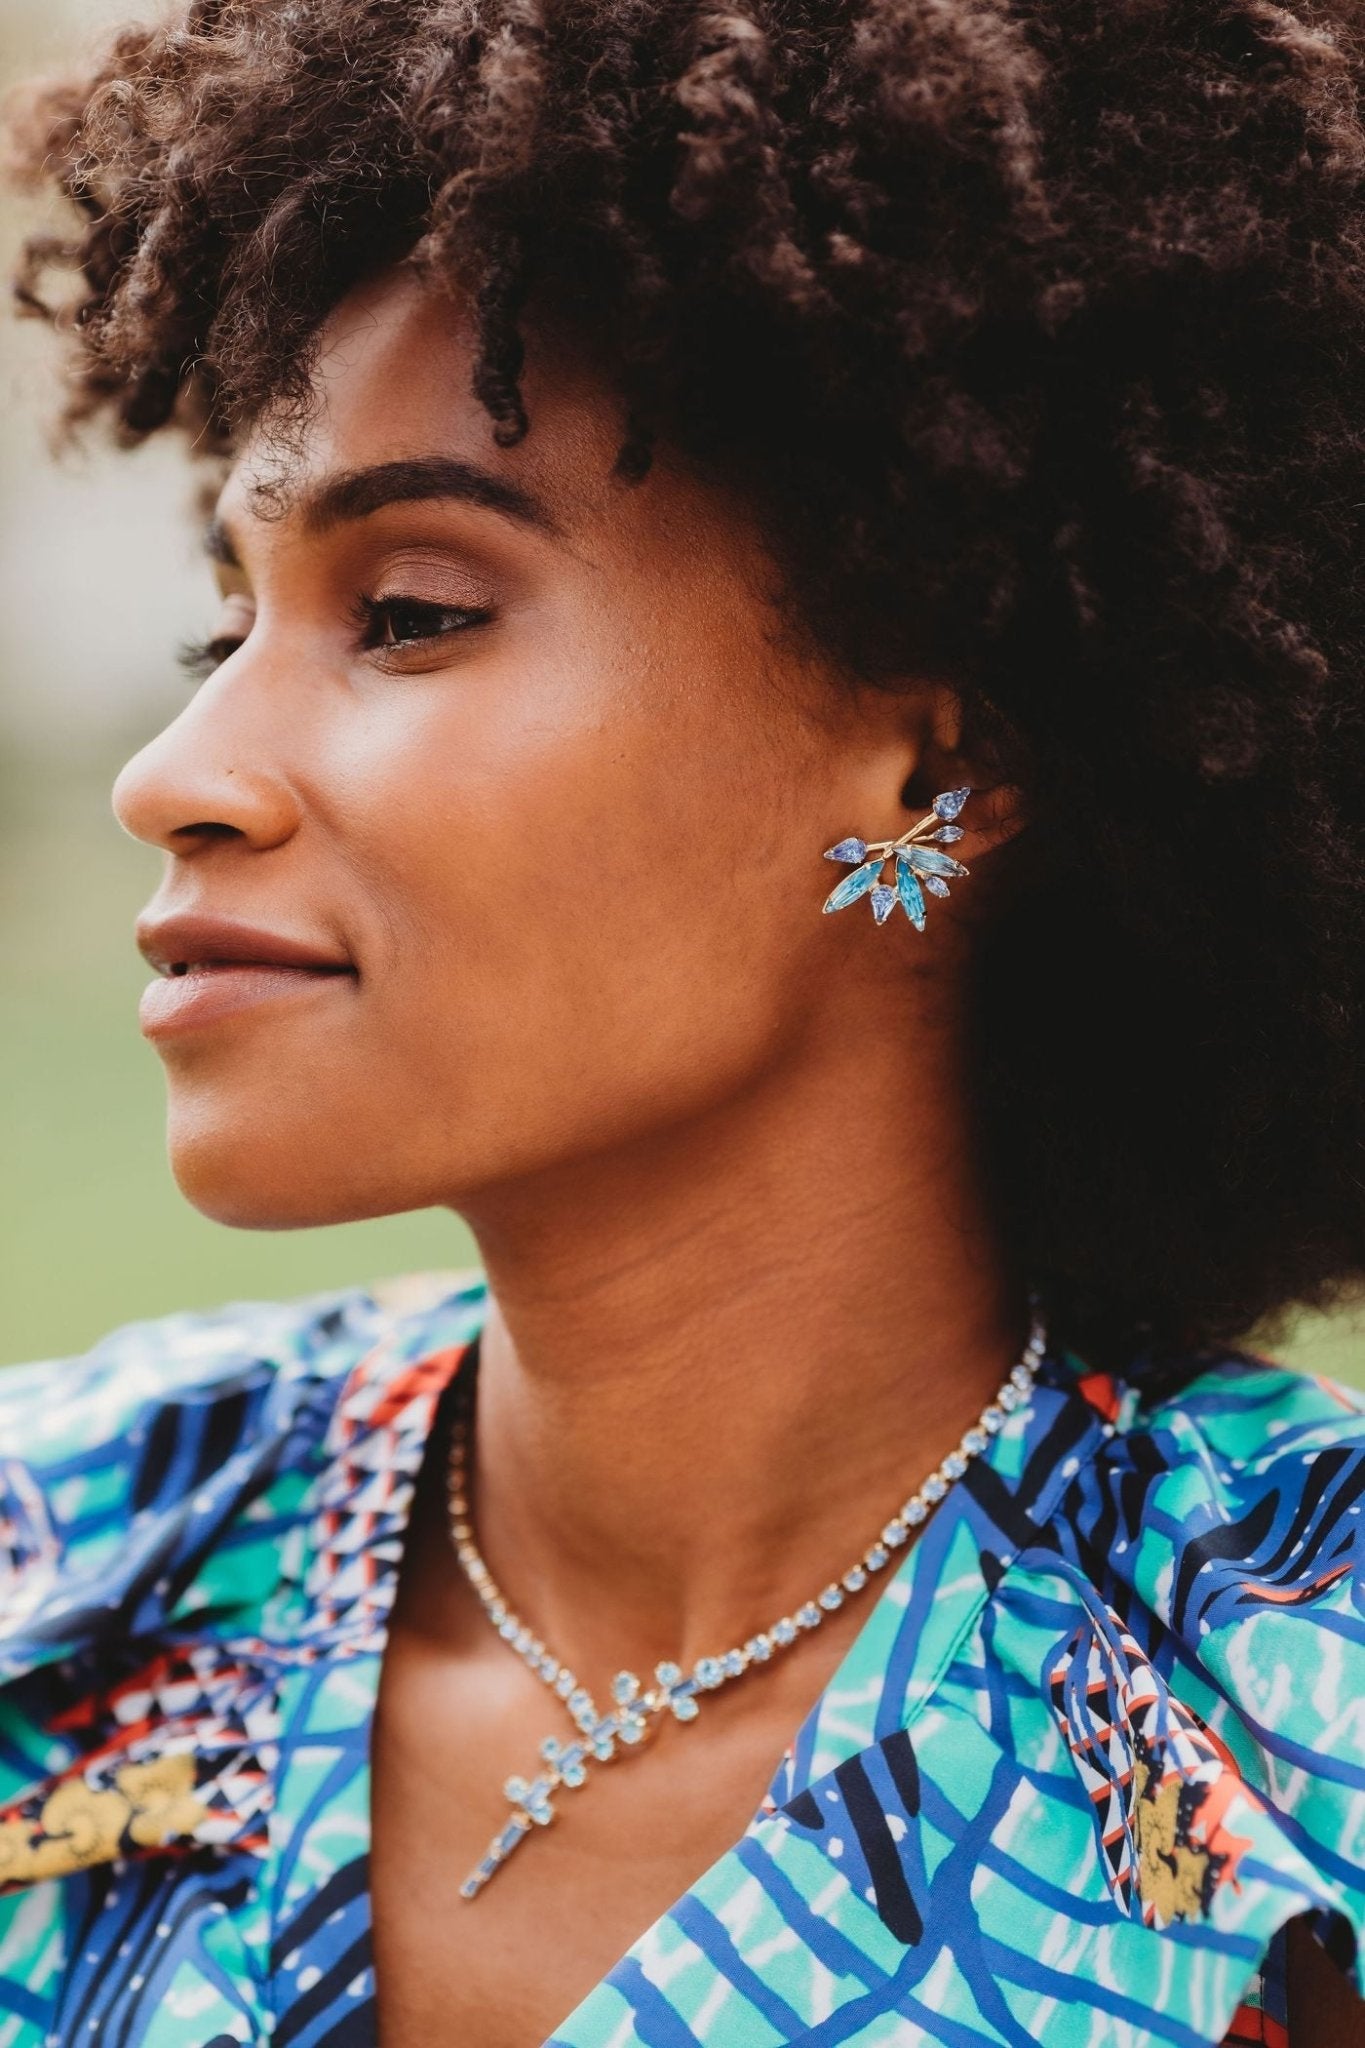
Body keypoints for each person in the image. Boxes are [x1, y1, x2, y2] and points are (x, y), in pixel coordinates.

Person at [2, 0, 1364, 2041]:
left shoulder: (1295, 1704)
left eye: (410, 614)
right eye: (226, 627)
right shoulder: (61, 1557)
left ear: (932, 765)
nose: (175, 773)